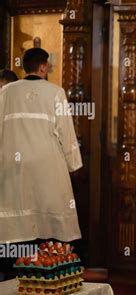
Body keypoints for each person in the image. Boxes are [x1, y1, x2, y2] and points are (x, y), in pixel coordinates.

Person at [0, 47, 82, 244]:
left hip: (14, 165)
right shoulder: (56, 92)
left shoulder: (6, 91)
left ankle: (15, 266)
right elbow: (66, 132)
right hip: (47, 164)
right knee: (48, 220)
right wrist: (73, 164)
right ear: (43, 67)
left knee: (18, 216)